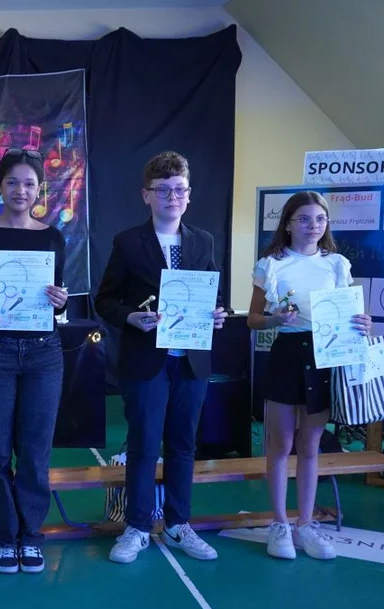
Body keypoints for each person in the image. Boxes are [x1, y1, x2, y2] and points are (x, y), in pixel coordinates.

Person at [94, 151, 227, 564]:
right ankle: (136, 526)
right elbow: (105, 301)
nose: (173, 197)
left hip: (191, 360)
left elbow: (213, 294)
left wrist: (218, 313)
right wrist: (130, 317)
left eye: (179, 190)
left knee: (183, 445)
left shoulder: (203, 240)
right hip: (146, 360)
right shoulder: (127, 242)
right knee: (145, 445)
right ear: (146, 195)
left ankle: (177, 523)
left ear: (189, 194)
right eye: (163, 190)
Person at [0, 148, 69, 574]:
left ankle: (31, 536)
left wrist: (60, 301)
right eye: (12, 182)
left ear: (40, 189)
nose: (21, 190)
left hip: (44, 353)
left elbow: (57, 297)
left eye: (29, 183)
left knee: (36, 451)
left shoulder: (53, 237)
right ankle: (5, 538)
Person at [248, 190, 371, 560]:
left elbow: (350, 314)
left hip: (324, 356)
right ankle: (280, 524)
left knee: (311, 446)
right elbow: (253, 320)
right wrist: (274, 319)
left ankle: (305, 524)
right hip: (287, 355)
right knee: (280, 444)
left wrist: (363, 323)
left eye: (319, 219)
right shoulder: (271, 265)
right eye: (303, 218)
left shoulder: (337, 264)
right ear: (288, 223)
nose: (312, 225)